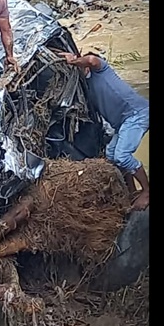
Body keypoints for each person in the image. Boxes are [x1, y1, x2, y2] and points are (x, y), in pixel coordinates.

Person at [57, 50, 150, 210]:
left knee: (122, 155)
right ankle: (132, 190)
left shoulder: (100, 70)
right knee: (112, 154)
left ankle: (147, 192)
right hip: (123, 123)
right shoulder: (86, 86)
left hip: (137, 114)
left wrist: (73, 61)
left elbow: (93, 59)